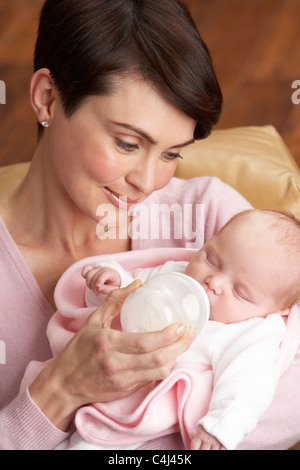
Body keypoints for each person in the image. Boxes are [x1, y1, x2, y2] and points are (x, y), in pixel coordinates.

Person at [0, 0, 299, 451]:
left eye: (172, 153)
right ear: (47, 97)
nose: (148, 181)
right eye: (127, 143)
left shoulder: (216, 222)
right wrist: (58, 392)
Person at [44, 209, 295, 450]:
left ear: (279, 309)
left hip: (138, 420)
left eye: (240, 292)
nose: (213, 282)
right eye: (212, 259)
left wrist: (220, 427)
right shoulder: (177, 274)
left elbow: (249, 384)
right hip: (89, 378)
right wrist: (114, 280)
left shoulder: (252, 333)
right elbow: (136, 286)